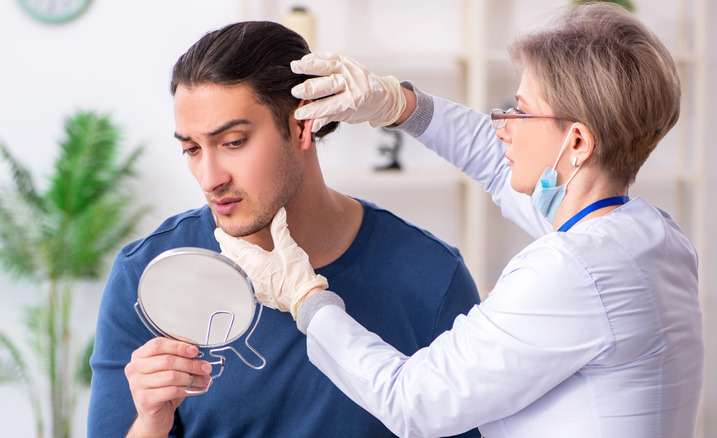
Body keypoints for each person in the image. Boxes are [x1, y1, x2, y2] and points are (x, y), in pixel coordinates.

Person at [214, 3, 705, 437]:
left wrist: (306, 300)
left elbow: (413, 403)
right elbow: (493, 162)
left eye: (520, 110)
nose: (502, 125)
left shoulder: (572, 271)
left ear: (576, 142)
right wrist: (398, 104)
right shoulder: (650, 235)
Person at [87, 21, 481, 437]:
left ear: (301, 126)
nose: (209, 177)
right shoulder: (146, 272)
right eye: (191, 149)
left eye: (234, 141)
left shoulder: (432, 277)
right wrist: (151, 421)